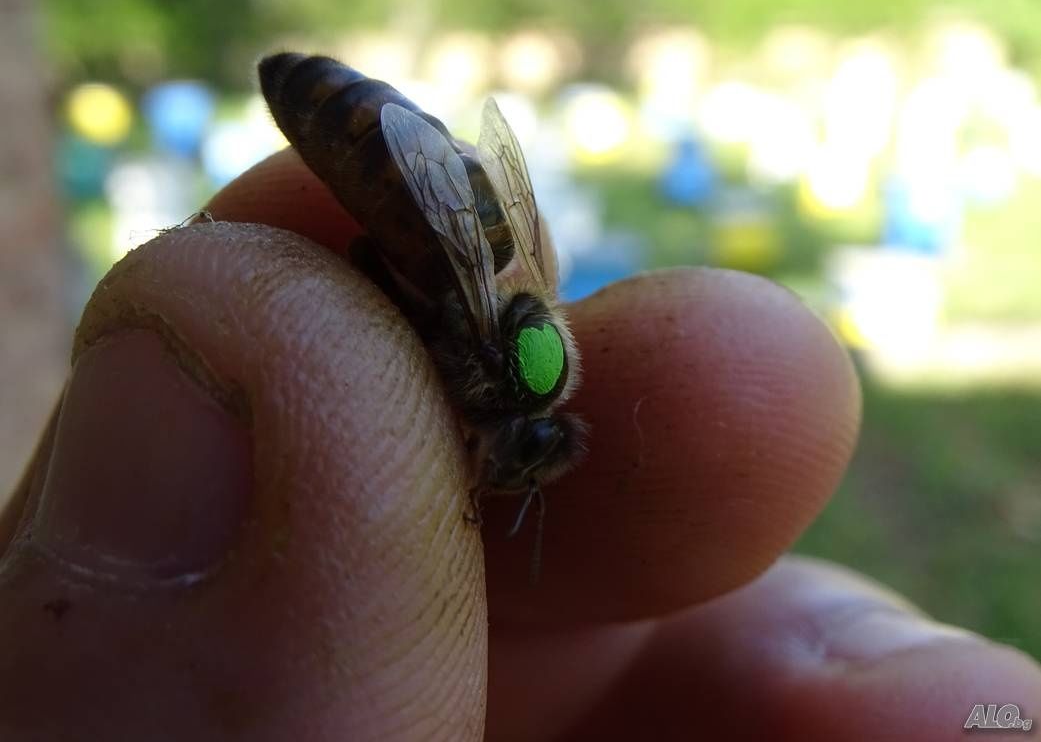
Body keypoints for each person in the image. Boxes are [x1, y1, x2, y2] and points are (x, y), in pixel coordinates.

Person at [1, 149, 1037, 741]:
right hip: (372, 178)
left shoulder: (521, 354)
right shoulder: (498, 366)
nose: (499, 471)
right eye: (513, 452)